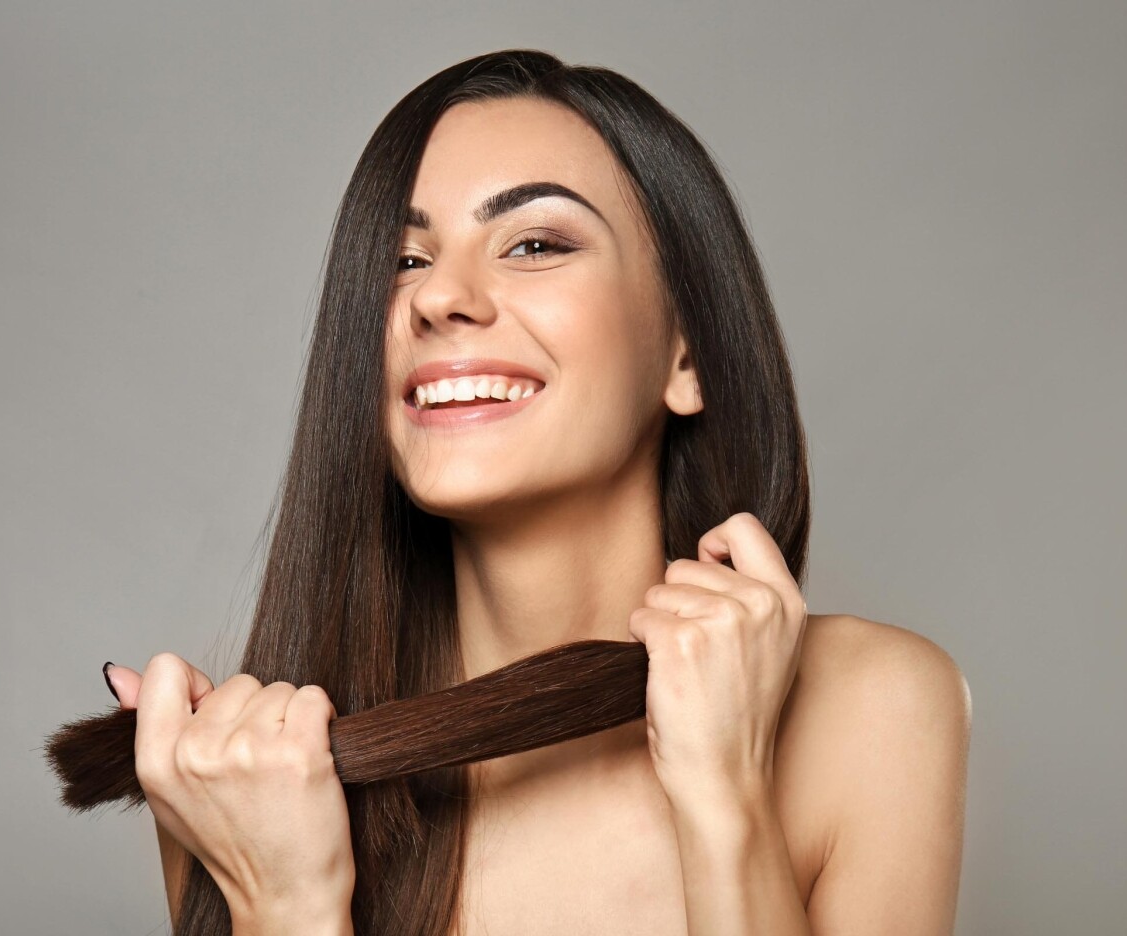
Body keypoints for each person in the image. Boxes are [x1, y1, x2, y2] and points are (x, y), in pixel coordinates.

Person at [101, 50, 971, 936]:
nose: (438, 296)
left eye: (535, 244)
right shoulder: (247, 776)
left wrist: (725, 798)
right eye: (402, 260)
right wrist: (284, 906)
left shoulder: (875, 710)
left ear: (688, 352)